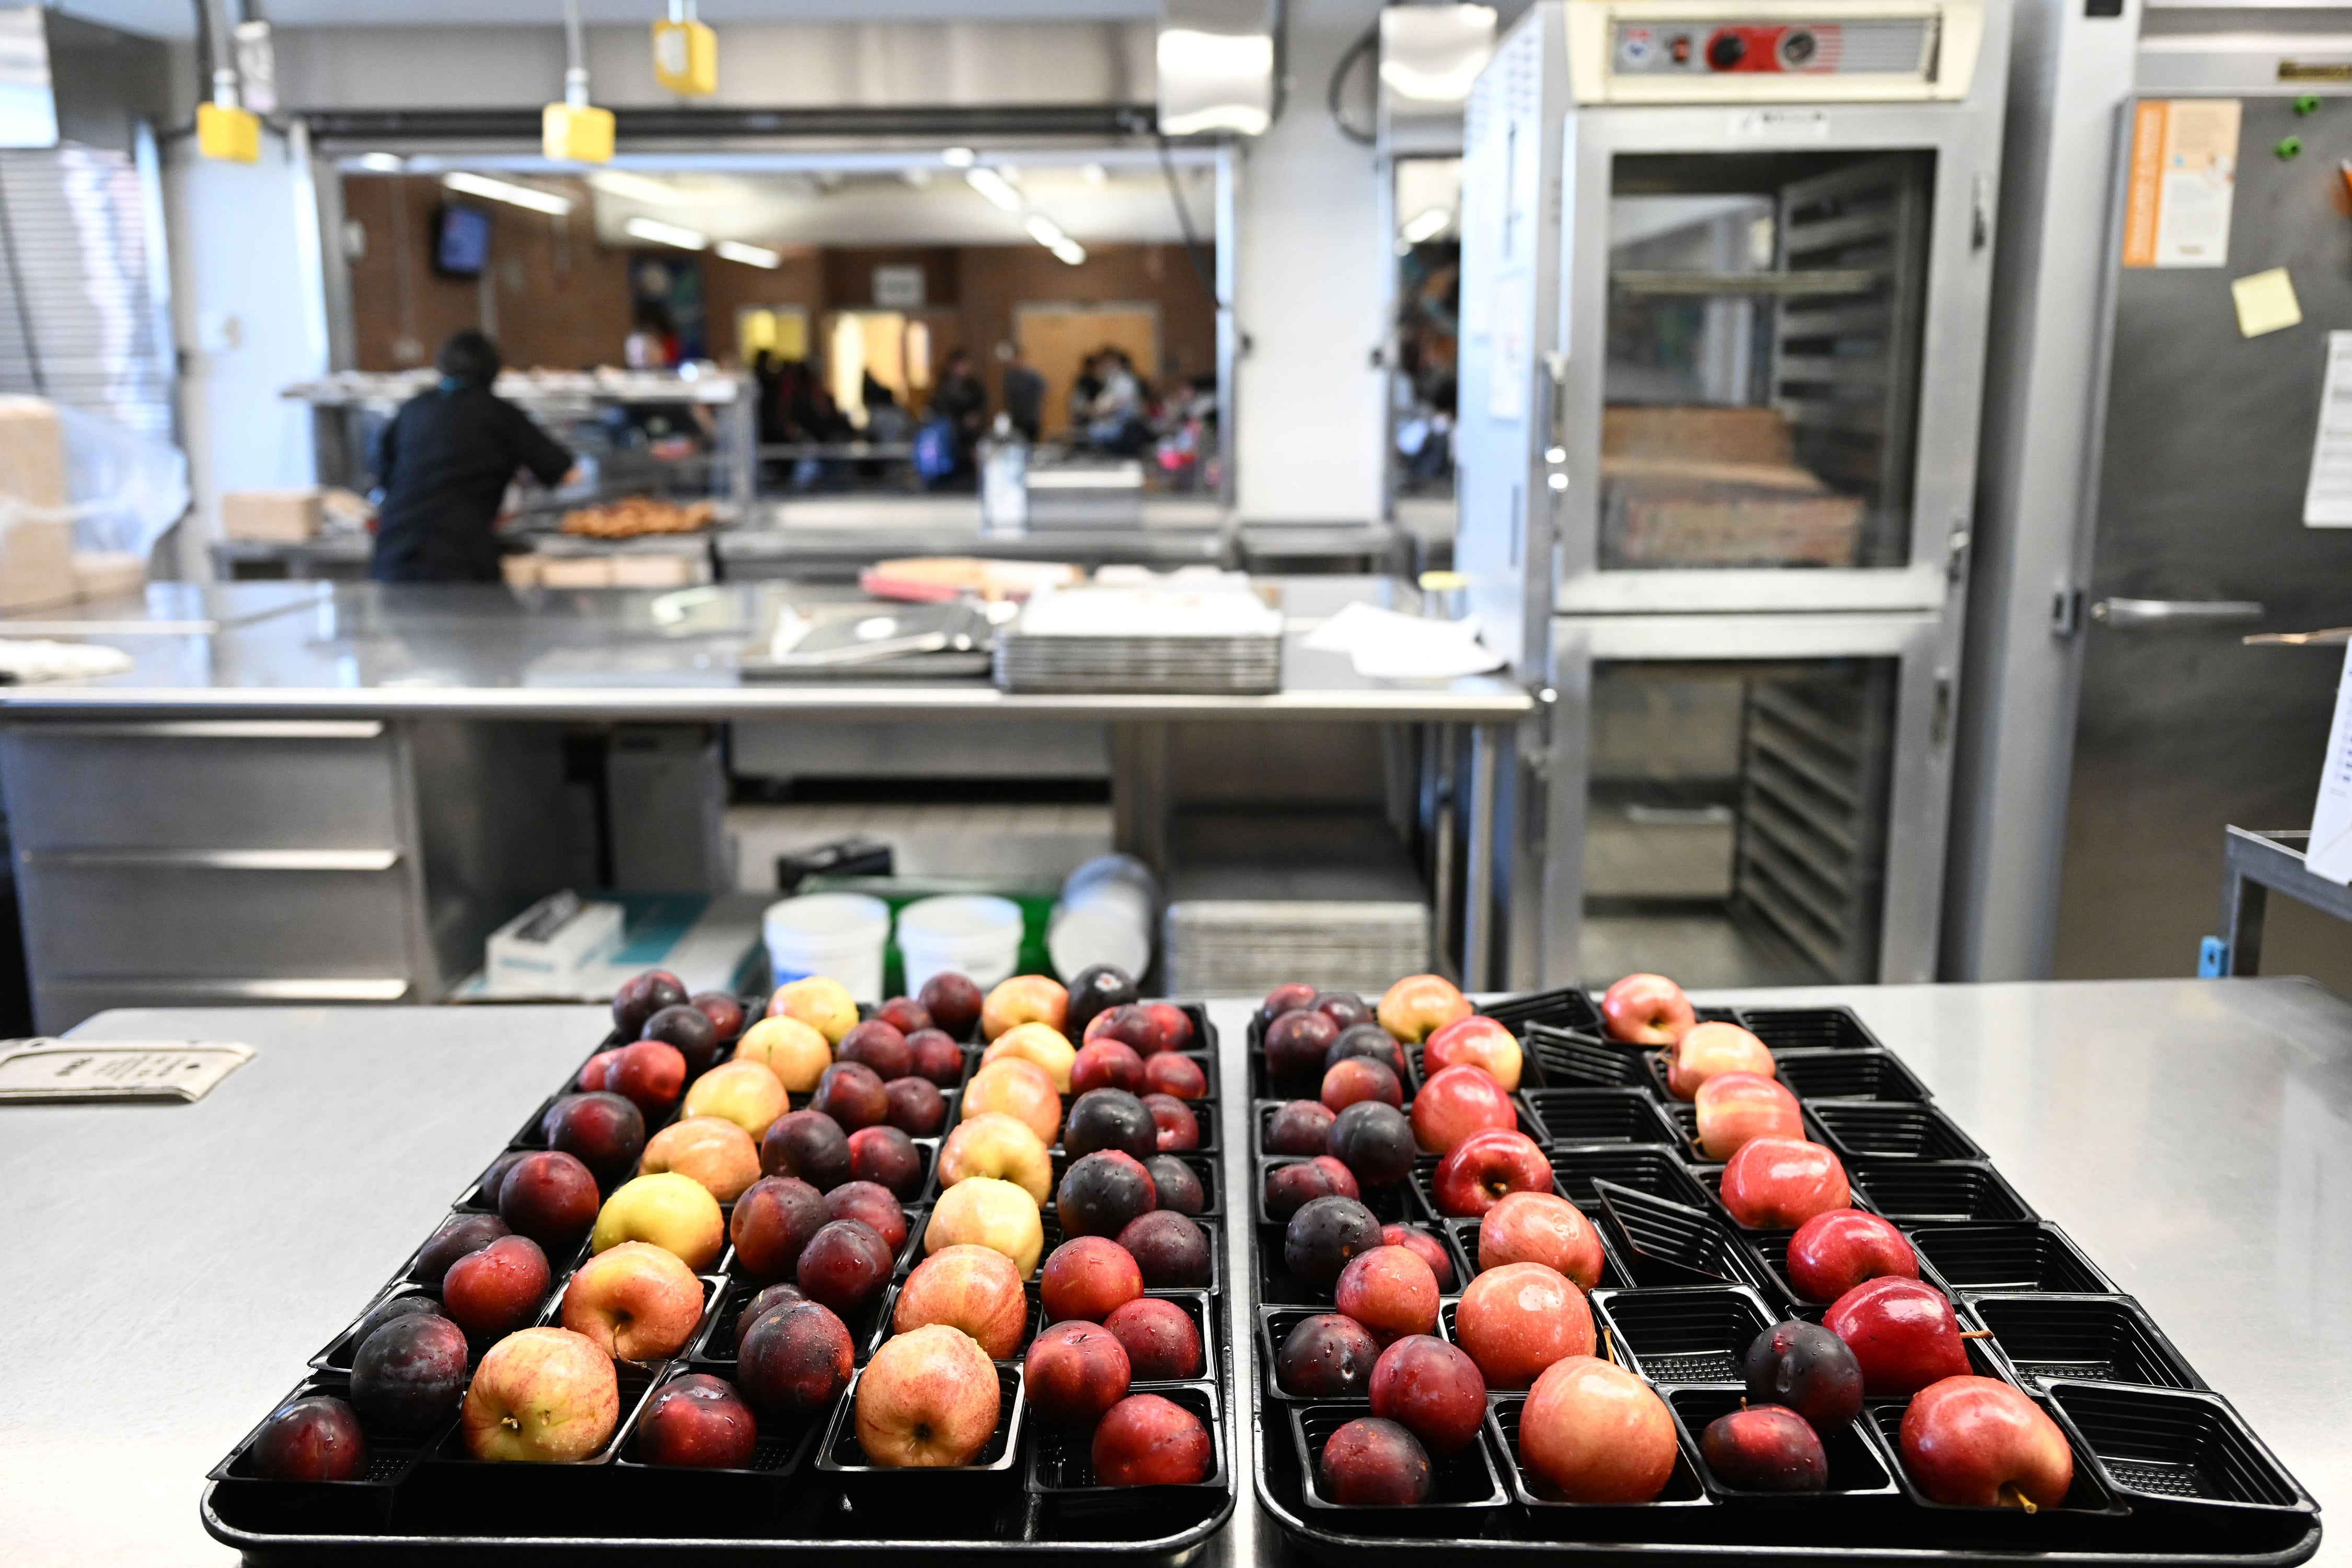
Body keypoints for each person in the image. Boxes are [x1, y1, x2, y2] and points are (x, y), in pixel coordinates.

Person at [370, 329, 577, 584]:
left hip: (395, 554)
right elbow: (567, 473)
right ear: (493, 371)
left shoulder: (413, 409)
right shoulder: (499, 413)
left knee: (403, 624)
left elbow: (382, 476)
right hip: (460, 558)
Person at [924, 349, 989, 483]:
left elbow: (981, 406)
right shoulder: (944, 386)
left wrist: (975, 417)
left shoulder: (973, 387)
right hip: (949, 432)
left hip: (970, 433)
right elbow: (936, 407)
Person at [1001, 347, 1046, 442]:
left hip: (1030, 418)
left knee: (1031, 443)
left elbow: (1043, 391)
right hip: (1015, 417)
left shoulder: (1032, 376)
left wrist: (1039, 411)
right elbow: (1006, 396)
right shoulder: (1009, 377)